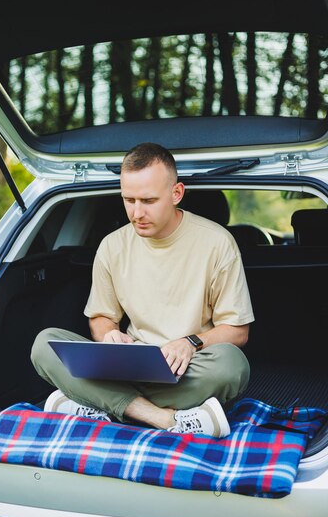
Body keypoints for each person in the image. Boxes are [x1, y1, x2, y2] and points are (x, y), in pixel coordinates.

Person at [31, 143, 254, 437]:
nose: (137, 213)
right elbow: (101, 317)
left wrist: (189, 343)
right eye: (129, 200)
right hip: (127, 366)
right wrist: (108, 335)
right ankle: (163, 419)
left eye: (148, 200)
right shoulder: (112, 245)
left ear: (177, 194)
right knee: (44, 344)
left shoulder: (217, 243)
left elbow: (237, 331)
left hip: (186, 370)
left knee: (232, 365)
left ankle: (100, 405)